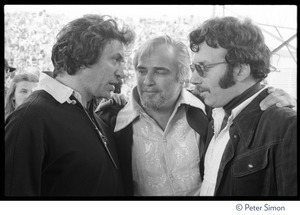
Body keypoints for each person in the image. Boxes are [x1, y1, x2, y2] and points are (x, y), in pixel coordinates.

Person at [97, 35, 295, 196]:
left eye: (160, 72)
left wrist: (280, 98)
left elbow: (247, 96)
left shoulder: (211, 112)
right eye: (141, 71)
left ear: (183, 76)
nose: (147, 81)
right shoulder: (111, 122)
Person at [5, 14, 134, 196]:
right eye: (115, 60)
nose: (122, 73)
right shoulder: (29, 119)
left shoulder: (95, 114)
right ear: (82, 57)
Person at [189, 16, 297, 196]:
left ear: (240, 70)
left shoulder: (285, 126)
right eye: (193, 68)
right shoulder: (214, 114)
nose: (193, 79)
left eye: (203, 68)